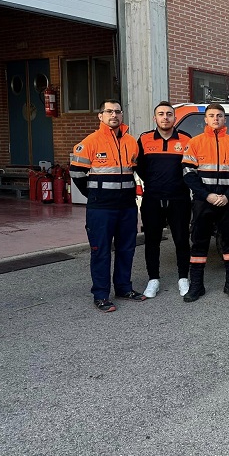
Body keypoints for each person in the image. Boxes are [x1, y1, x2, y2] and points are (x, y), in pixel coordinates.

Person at [70, 99, 146, 312]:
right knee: (101, 251)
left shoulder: (131, 142)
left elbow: (136, 170)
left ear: (122, 115)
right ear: (101, 116)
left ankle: (123, 287)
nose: (114, 115)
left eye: (117, 111)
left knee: (126, 249)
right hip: (101, 209)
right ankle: (101, 294)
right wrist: (94, 194)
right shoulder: (90, 142)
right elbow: (76, 173)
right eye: (109, 111)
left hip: (127, 207)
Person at [181, 104, 229, 302]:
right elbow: (188, 173)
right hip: (204, 201)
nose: (216, 119)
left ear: (225, 119)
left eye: (219, 116)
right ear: (206, 119)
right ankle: (196, 285)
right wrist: (206, 195)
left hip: (228, 201)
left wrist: (228, 195)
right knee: (199, 242)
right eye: (211, 116)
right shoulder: (195, 143)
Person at [136, 101, 192, 299]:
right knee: (152, 241)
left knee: (182, 239)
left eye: (169, 114)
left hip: (179, 198)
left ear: (174, 118)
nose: (165, 117)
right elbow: (138, 166)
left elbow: (191, 167)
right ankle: (153, 279)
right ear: (155, 118)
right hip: (152, 197)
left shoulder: (186, 139)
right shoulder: (144, 139)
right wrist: (153, 181)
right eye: (161, 114)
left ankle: (183, 278)